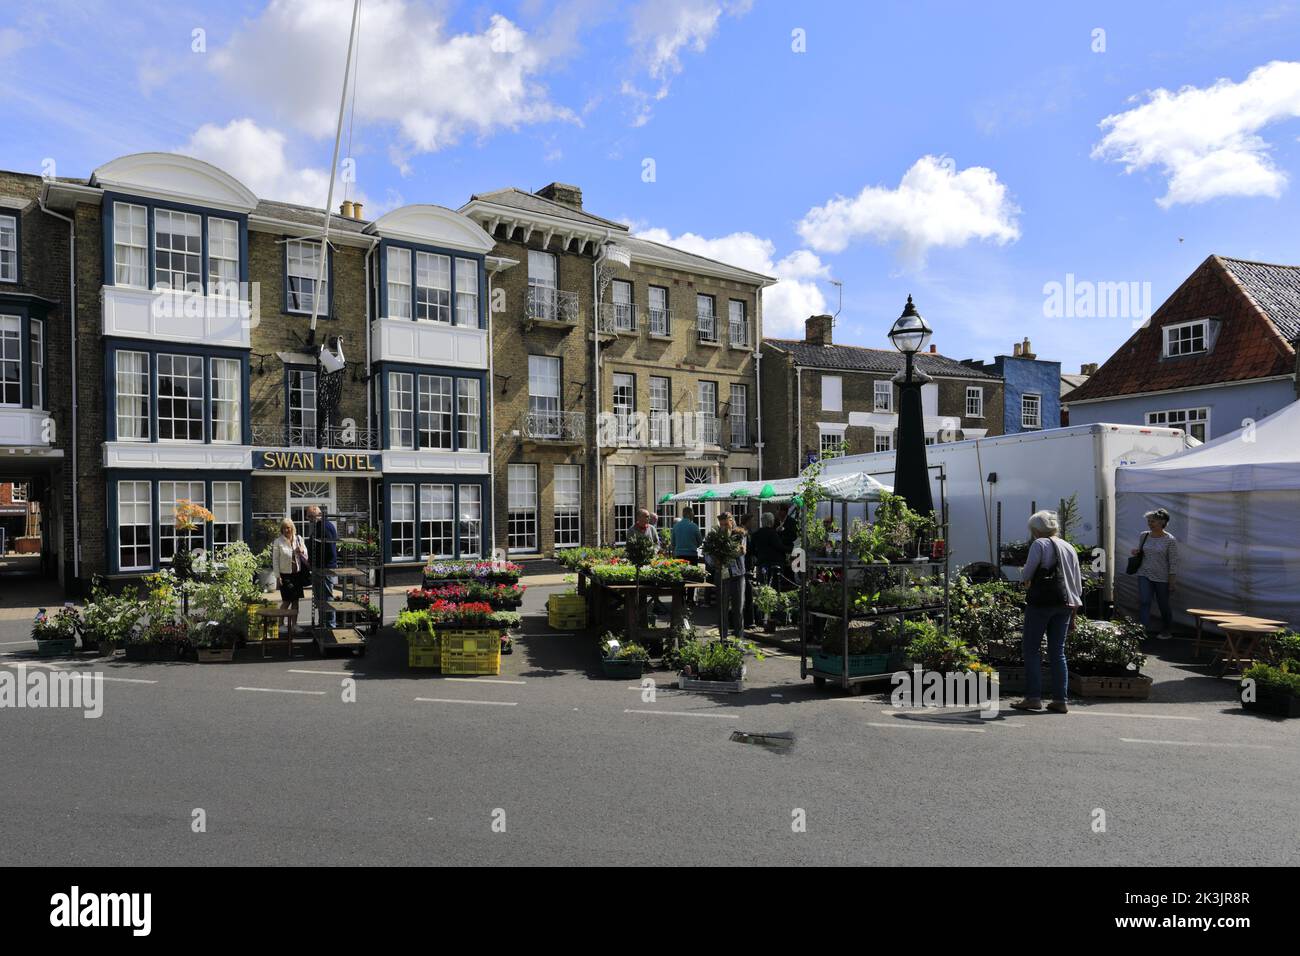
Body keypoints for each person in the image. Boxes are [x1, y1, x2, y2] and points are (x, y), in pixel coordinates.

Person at [1012, 510, 1083, 714]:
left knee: (1032, 649)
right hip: (1066, 604)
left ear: (1036, 530)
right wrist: (1074, 614)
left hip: (1042, 603)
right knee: (1057, 652)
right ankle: (1060, 700)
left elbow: (1027, 573)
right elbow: (1076, 583)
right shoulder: (1068, 546)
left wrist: (1024, 575)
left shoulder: (1040, 544)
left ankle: (1033, 698)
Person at [1131, 508, 1179, 640]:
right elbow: (1142, 552)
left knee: (1163, 603)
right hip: (1144, 573)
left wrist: (1172, 581)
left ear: (1163, 522)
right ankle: (1142, 630)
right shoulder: (1144, 535)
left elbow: (1173, 562)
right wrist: (1137, 552)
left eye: (1153, 521)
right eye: (1149, 521)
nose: (1150, 524)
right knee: (1145, 601)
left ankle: (1167, 629)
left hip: (1162, 576)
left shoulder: (1170, 540)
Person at [706, 512, 747, 638]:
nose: (724, 527)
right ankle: (723, 639)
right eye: (721, 524)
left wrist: (728, 553)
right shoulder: (715, 536)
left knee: (738, 609)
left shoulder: (739, 534)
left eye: (726, 523)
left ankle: (739, 639)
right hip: (722, 576)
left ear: (732, 521)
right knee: (722, 610)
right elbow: (707, 554)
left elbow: (742, 551)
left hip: (738, 575)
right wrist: (714, 562)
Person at [271, 518, 310, 639]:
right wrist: (278, 576)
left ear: (292, 528)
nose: (287, 530)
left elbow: (306, 553)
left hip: (297, 574)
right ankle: (281, 624)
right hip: (285, 575)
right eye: (284, 528)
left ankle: (294, 625)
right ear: (282, 529)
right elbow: (275, 560)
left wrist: (301, 550)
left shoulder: (298, 539)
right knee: (287, 600)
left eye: (288, 527)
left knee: (296, 600)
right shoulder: (278, 542)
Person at [307, 505, 339, 628]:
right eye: (308, 516)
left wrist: (321, 564)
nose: (308, 519)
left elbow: (330, 550)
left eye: (310, 516)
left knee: (326, 598)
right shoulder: (318, 526)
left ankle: (330, 626)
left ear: (317, 514)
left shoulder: (326, 527)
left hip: (325, 568)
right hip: (318, 567)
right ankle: (323, 624)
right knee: (320, 599)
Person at [672, 507, 704, 605]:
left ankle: (681, 598)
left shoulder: (676, 526)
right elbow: (700, 542)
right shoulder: (694, 526)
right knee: (692, 578)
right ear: (691, 514)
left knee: (680, 577)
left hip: (679, 555)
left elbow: (673, 542)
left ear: (683, 514)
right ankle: (690, 599)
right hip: (691, 554)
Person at [751, 511, 786, 587]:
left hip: (761, 562)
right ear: (771, 521)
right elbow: (779, 547)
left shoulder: (756, 534)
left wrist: (758, 556)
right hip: (774, 563)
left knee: (763, 585)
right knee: (774, 586)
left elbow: (752, 549)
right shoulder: (773, 533)